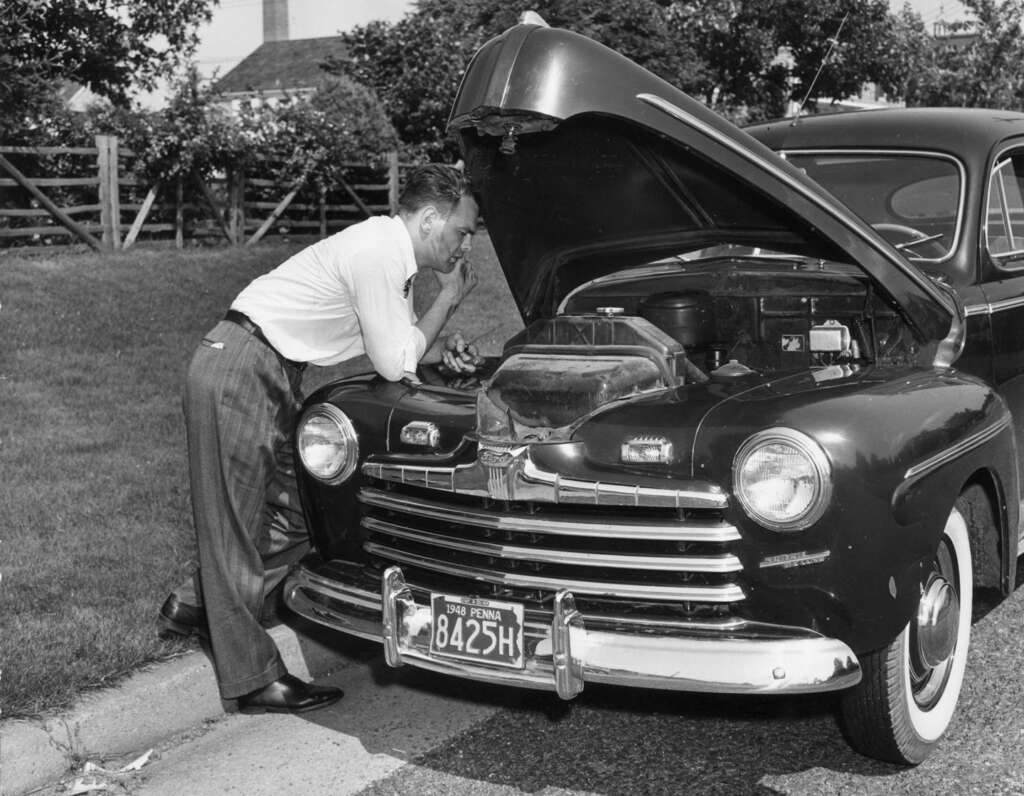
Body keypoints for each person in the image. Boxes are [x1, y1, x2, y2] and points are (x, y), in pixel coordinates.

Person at [158, 164, 480, 714]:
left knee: (305, 511)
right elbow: (393, 361)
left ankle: (194, 603)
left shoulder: (387, 255)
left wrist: (440, 345)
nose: (466, 244)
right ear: (430, 219)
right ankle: (253, 679)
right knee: (234, 523)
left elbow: (397, 344)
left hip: (274, 370)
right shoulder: (379, 251)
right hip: (240, 366)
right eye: (464, 230)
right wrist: (448, 298)